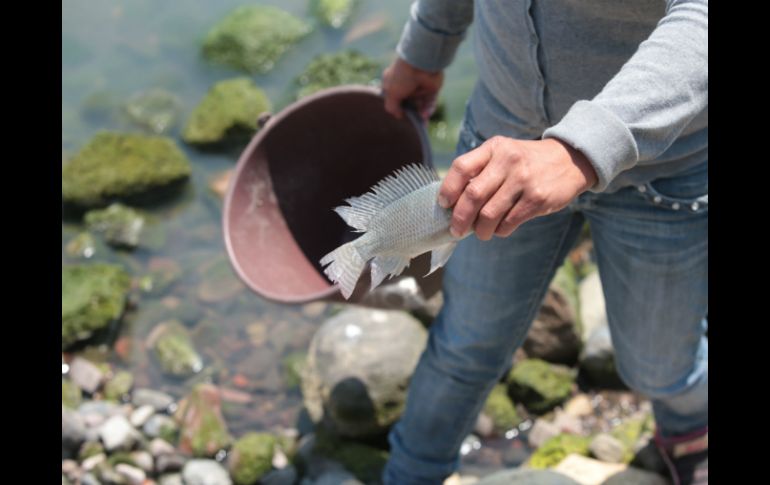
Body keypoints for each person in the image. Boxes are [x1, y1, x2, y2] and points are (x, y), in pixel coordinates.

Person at [380, 1, 708, 484]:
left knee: (658, 369)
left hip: (661, 175)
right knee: (466, 342)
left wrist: (577, 148)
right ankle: (412, 470)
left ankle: (689, 428)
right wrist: (423, 52)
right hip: (497, 153)